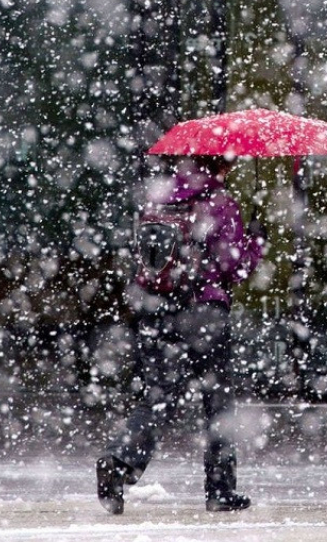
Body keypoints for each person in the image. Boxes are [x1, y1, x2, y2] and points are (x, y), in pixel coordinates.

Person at [96, 155, 265, 514]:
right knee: (217, 402)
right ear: (223, 164)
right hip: (203, 311)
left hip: (159, 309)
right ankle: (220, 490)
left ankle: (120, 459)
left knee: (159, 395)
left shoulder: (158, 199)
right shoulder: (219, 203)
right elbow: (234, 269)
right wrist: (256, 241)